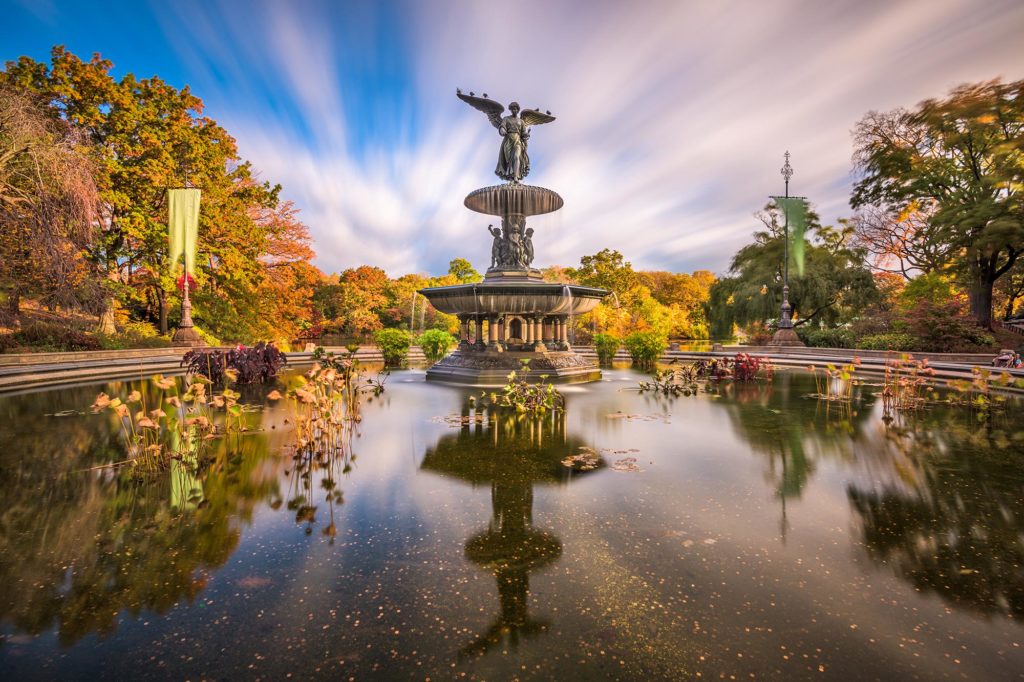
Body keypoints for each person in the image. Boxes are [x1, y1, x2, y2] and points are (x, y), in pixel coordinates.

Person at [496, 102, 530, 182]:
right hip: (508, 141)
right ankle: (510, 176)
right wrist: (502, 130)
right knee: (508, 161)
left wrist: (526, 136)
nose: (514, 110)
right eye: (512, 109)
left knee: (516, 156)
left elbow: (523, 133)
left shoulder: (521, 121)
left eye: (516, 109)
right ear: (511, 110)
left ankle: (515, 177)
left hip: (517, 141)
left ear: (518, 110)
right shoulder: (506, 119)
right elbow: (502, 127)